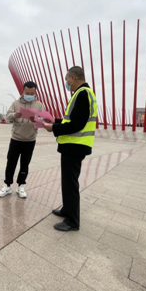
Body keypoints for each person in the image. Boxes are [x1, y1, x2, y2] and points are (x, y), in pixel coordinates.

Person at [43, 66, 97, 232]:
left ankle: (72, 221)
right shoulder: (84, 93)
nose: (66, 83)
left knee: (70, 183)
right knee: (67, 181)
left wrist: (54, 129)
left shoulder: (82, 94)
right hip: (74, 146)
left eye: (67, 79)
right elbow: (71, 120)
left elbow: (77, 124)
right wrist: (55, 122)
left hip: (75, 145)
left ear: (73, 77)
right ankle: (67, 209)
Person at [0, 81, 44, 199]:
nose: (29, 95)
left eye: (32, 93)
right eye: (27, 93)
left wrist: (36, 120)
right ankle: (7, 185)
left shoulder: (39, 105)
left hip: (30, 139)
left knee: (25, 164)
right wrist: (14, 115)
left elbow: (43, 121)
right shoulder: (15, 103)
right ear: (22, 92)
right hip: (16, 139)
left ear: (35, 92)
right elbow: (7, 117)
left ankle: (21, 186)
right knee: (11, 163)